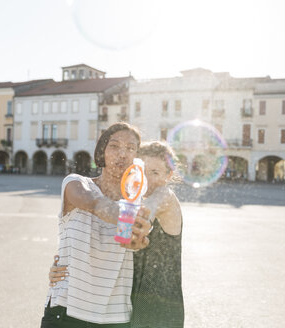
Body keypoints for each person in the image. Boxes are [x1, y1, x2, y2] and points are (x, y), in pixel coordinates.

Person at [50, 141, 185, 328]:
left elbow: (157, 202)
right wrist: (63, 267)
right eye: (142, 172)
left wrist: (142, 216)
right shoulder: (125, 206)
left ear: (168, 175)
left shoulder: (166, 199)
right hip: (129, 314)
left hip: (161, 313)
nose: (147, 180)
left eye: (155, 173)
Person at [41, 123, 152, 328]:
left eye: (130, 148)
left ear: (137, 157)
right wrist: (126, 215)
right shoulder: (76, 183)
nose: (122, 153)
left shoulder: (139, 203)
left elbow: (137, 244)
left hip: (115, 316)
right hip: (66, 310)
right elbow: (92, 202)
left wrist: (139, 239)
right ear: (102, 151)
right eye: (114, 146)